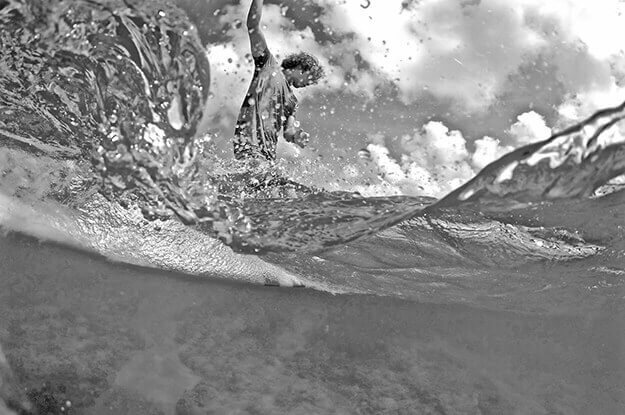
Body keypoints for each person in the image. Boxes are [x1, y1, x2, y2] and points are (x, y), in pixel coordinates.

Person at [233, 0, 325, 161]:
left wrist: (296, 136)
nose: (308, 84)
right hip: (249, 145)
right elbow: (253, 26)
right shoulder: (267, 64)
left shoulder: (292, 102)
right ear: (301, 68)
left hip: (268, 156)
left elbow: (288, 132)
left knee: (277, 178)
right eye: (310, 79)